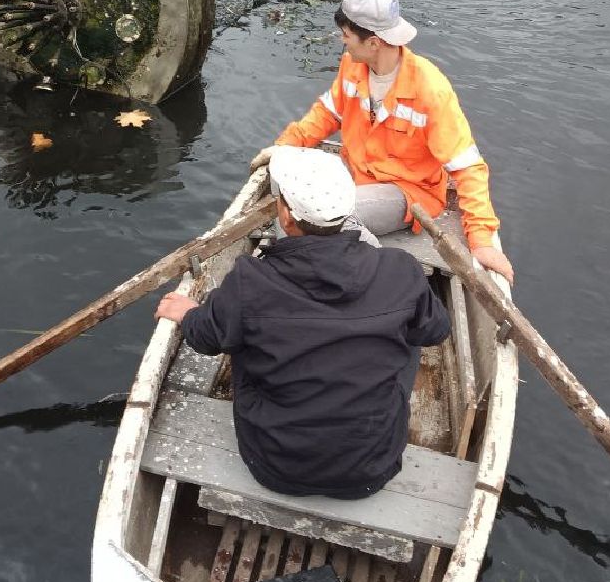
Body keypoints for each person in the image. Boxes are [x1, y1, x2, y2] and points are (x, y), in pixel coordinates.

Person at [156, 146, 450, 499]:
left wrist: (189, 313)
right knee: (414, 329)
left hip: (273, 465)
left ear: (287, 217)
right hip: (372, 469)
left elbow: (205, 338)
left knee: (238, 334)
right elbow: (435, 330)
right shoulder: (400, 270)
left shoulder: (250, 282)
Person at [251, 0, 515, 285]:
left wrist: (480, 240)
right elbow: (326, 113)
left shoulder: (430, 89)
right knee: (284, 187)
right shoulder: (353, 65)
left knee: (321, 218)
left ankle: (385, 284)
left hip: (406, 191)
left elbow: (467, 166)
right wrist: (285, 147)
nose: (342, 41)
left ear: (374, 42)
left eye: (347, 35)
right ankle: (309, 272)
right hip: (356, 173)